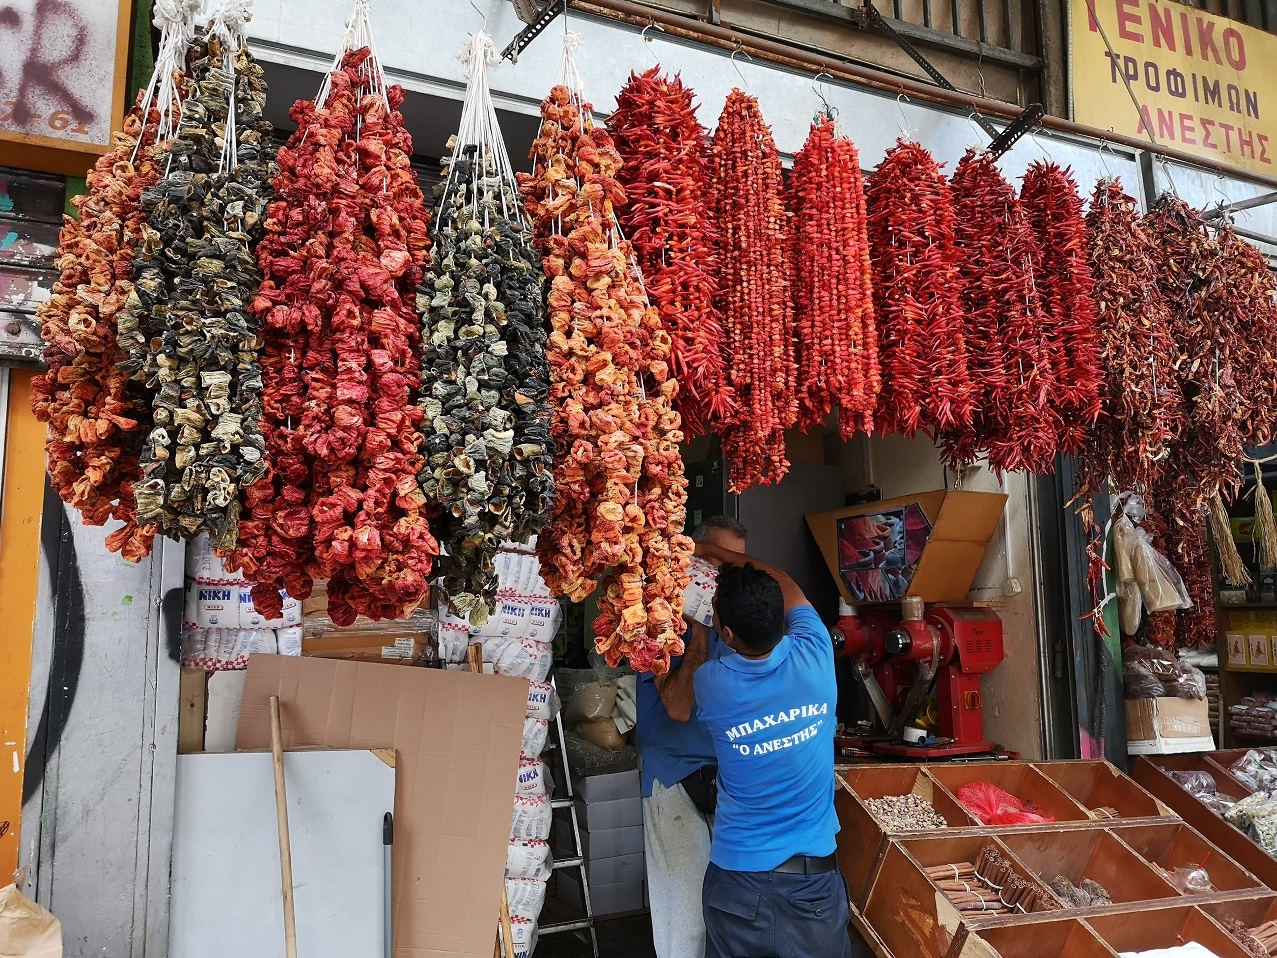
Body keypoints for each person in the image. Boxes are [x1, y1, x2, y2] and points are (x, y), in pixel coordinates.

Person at [690, 540, 853, 958]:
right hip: (812, 885)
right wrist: (717, 551)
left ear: (726, 633)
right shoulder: (816, 652)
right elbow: (785, 580)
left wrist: (697, 621)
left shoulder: (712, 683)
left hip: (739, 881)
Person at [635, 515, 747, 958]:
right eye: (713, 564)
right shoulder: (658, 620)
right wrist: (699, 628)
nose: (719, 578)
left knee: (730, 920)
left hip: (728, 781)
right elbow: (679, 706)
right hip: (672, 779)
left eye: (731, 568)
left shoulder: (737, 624)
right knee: (684, 929)